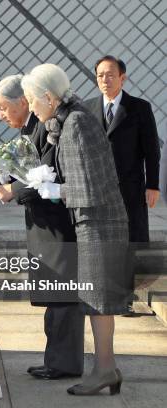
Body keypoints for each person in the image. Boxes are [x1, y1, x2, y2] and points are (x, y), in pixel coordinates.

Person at [21, 63, 130, 396]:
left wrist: (54, 190)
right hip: (92, 222)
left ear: (49, 98)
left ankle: (104, 370)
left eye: (32, 101)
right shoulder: (69, 120)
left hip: (99, 224)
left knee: (98, 302)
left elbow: (90, 188)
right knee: (96, 302)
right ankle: (106, 369)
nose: (30, 108)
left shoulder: (77, 123)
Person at [0, 75, 84, 380]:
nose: (1, 115)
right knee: (53, 294)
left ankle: (64, 363)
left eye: (4, 108)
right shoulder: (31, 128)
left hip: (58, 225)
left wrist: (12, 191)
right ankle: (55, 359)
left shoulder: (46, 125)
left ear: (24, 101)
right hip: (44, 223)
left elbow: (48, 172)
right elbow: (26, 170)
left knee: (62, 295)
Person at [84, 56, 161, 313]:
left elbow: (152, 150)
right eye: (100, 75)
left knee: (127, 242)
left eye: (110, 75)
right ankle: (105, 294)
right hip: (98, 189)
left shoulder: (139, 108)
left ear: (122, 77)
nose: (104, 80)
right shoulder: (88, 108)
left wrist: (153, 185)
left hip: (129, 188)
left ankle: (124, 298)